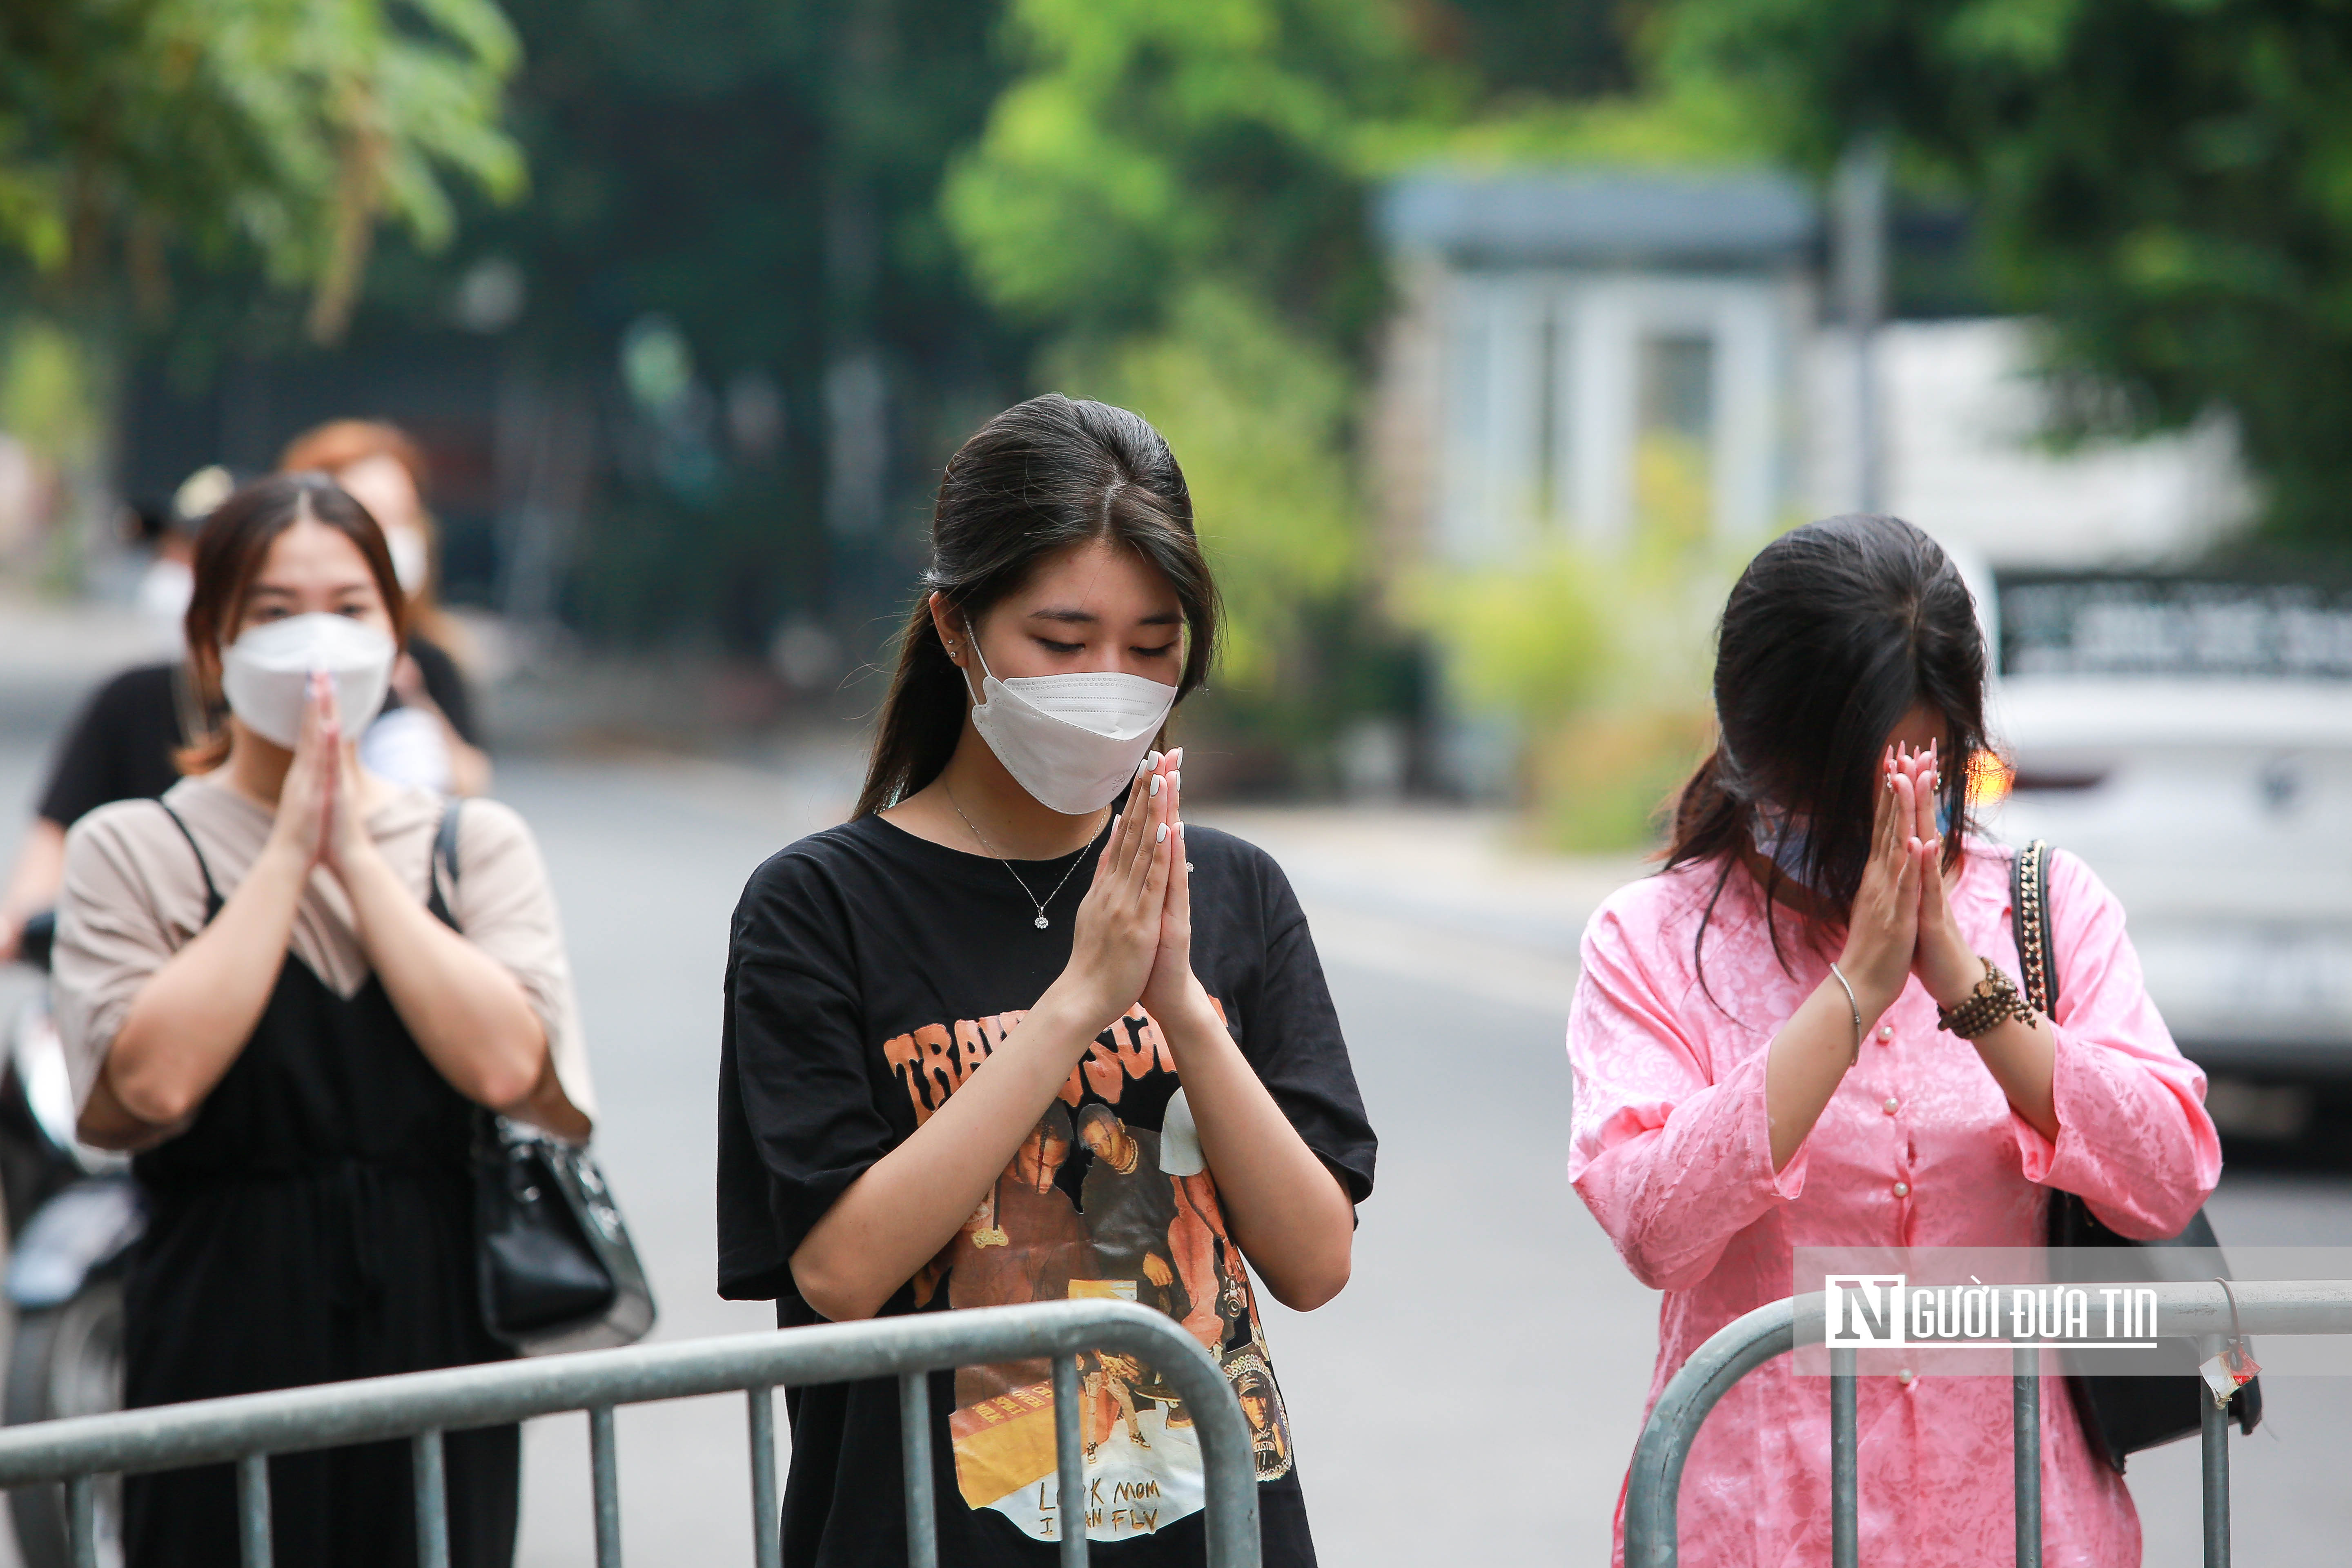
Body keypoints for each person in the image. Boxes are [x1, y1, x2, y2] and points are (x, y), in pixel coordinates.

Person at [718, 393, 1377, 1566]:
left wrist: (1179, 1003)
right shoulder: (817, 907)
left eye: (1152, 645)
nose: (1110, 681)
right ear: (958, 631)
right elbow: (840, 1268)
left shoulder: (1233, 890)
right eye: (1062, 643)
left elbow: (1315, 1260)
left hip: (1206, 1528)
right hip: (926, 1527)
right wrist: (1080, 1000)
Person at [1567, 514, 2219, 1566]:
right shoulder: (1646, 941)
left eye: (1923, 775)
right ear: (1753, 750)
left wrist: (1962, 983)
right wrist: (1849, 996)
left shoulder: (2049, 909)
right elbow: (1654, 1227)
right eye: (1848, 793)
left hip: (2023, 1528)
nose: (1890, 824)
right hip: (1763, 1528)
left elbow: (2166, 1174)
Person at [49, 473, 595, 1568]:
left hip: (441, 1338)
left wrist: (354, 852)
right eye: (272, 611)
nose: (314, 641)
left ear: (397, 641)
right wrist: (290, 846)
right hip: (220, 1329)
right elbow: (149, 1088)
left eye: (348, 609)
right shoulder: (135, 849)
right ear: (210, 645)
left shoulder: (471, 847)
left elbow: (507, 1066)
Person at [278, 419, 491, 797]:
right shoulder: (267, 651)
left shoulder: (427, 657)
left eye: (400, 519)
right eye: (368, 520)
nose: (388, 540)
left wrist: (414, 699)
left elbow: (470, 782)